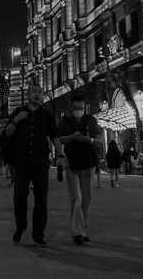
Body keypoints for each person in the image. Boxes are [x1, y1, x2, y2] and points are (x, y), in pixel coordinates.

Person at [5, 83, 63, 246]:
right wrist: (16, 121)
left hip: (40, 162)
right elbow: (8, 133)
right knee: (20, 196)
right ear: (27, 95)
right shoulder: (18, 112)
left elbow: (55, 137)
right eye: (33, 92)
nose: (37, 94)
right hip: (21, 162)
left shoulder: (47, 115)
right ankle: (20, 226)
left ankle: (38, 233)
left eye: (39, 92)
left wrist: (60, 155)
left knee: (41, 199)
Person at [57, 95, 102, 245]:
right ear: (70, 108)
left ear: (85, 107)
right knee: (76, 197)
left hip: (89, 163)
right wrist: (73, 137)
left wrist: (89, 140)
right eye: (75, 109)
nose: (78, 111)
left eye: (81, 108)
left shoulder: (91, 120)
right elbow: (59, 139)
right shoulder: (64, 121)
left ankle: (83, 227)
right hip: (72, 162)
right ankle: (78, 232)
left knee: (86, 198)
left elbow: (99, 139)